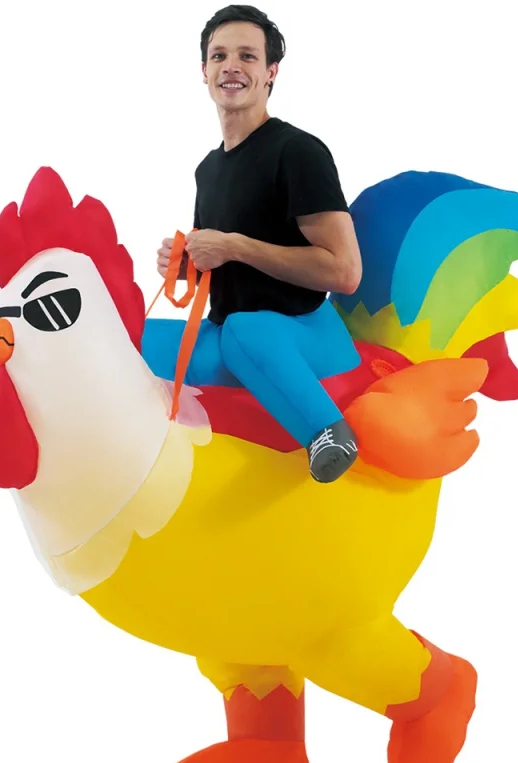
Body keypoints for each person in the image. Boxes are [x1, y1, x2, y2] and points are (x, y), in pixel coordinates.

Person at [143, 5, 363, 483]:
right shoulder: (208, 169)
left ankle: (329, 433)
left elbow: (345, 272)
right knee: (133, 339)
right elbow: (224, 259)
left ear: (271, 72)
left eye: (247, 56)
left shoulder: (298, 152)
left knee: (247, 330)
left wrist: (235, 246)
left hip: (304, 334)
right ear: (204, 71)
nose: (231, 66)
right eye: (219, 56)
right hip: (231, 336)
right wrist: (189, 264)